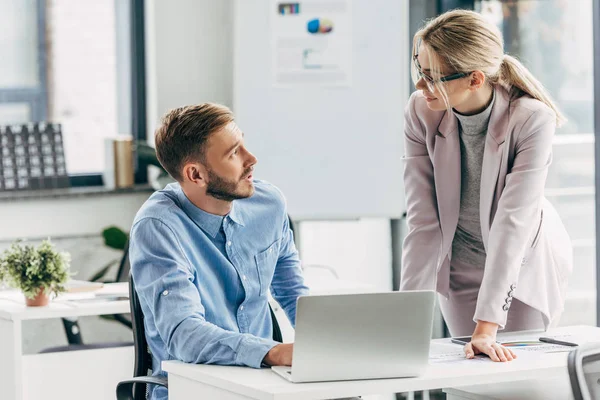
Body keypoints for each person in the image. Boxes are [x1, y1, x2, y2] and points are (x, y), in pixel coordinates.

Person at [400, 10, 573, 363]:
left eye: (433, 77)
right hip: (459, 266)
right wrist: (406, 318)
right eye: (419, 70)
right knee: (469, 379)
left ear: (475, 79)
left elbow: (514, 222)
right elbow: (422, 221)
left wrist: (487, 324)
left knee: (518, 379)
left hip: (522, 267)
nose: (420, 86)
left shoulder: (531, 120)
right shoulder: (420, 112)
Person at [129, 103, 309, 400]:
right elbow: (184, 336)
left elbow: (293, 292)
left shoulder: (268, 205)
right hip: (195, 390)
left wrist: (332, 346)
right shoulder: (158, 227)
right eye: (233, 153)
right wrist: (273, 352)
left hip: (265, 386)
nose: (251, 159)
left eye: (243, 146)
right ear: (195, 174)